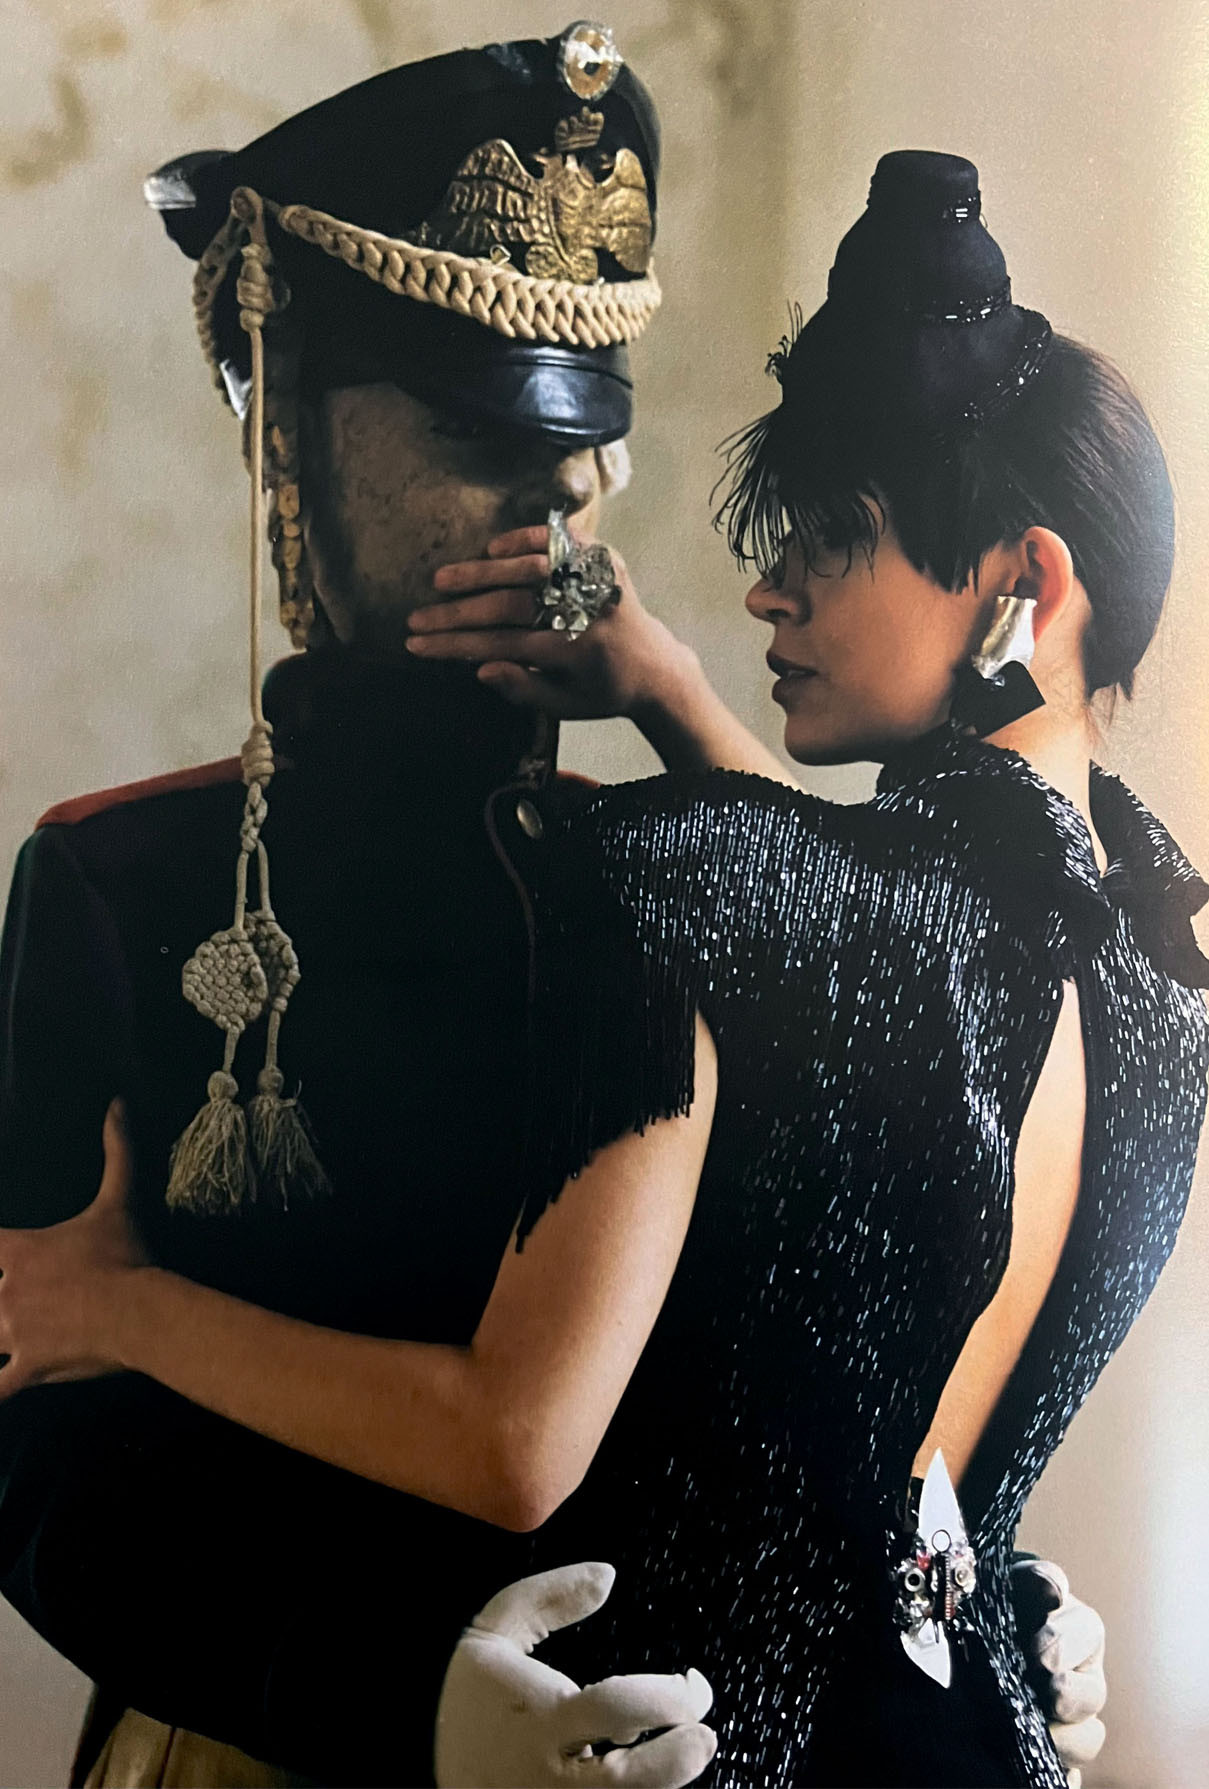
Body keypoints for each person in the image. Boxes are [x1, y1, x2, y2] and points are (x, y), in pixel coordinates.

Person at [0, 41, 1111, 1785]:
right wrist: (397, 1694)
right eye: (478, 430)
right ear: (286, 444)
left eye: (586, 436)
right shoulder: (125, 879)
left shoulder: (671, 878)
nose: (560, 495)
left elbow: (823, 1343)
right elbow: (42, 1452)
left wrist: (953, 1581)